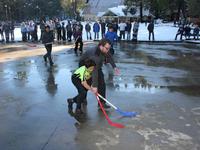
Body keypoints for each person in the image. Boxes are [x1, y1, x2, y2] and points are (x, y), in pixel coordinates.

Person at [79, 38, 120, 108]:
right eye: (107, 48)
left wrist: (114, 67)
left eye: (109, 49)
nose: (108, 50)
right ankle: (81, 98)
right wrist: (94, 85)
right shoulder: (94, 55)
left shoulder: (105, 50)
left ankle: (102, 103)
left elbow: (109, 56)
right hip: (85, 67)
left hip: (96, 66)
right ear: (101, 46)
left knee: (102, 84)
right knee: (87, 84)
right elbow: (94, 71)